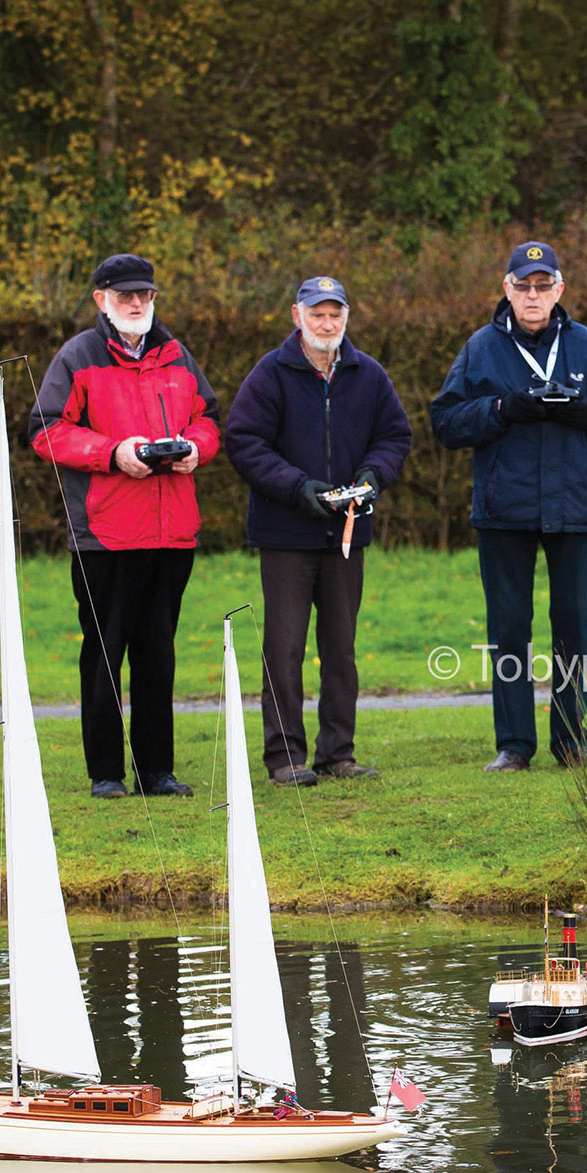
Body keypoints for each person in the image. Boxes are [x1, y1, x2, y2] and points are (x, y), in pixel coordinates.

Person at [430, 241, 587, 771]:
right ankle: (514, 745)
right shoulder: (480, 348)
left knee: (573, 624)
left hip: (573, 507)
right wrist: (501, 409)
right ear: (506, 289)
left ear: (559, 290)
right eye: (522, 285)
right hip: (505, 508)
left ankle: (571, 739)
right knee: (509, 626)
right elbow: (446, 422)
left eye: (542, 286)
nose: (532, 295)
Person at [28, 252, 220, 800]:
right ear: (101, 301)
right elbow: (45, 430)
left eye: (144, 295)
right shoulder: (78, 356)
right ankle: (106, 772)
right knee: (105, 653)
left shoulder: (177, 355)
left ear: (153, 298)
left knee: (159, 652)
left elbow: (209, 417)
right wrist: (113, 452)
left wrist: (194, 450)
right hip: (106, 534)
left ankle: (157, 771)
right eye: (124, 295)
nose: (136, 303)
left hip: (171, 529)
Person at [224, 275, 416, 787]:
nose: (326, 324)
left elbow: (394, 435)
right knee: (284, 649)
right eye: (317, 314)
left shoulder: (368, 374)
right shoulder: (271, 373)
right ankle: (284, 757)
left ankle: (338, 754)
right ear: (297, 316)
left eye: (335, 314)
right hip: (286, 533)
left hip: (348, 534)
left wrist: (374, 475)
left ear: (346, 317)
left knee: (341, 647)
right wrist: (296, 486)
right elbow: (243, 441)